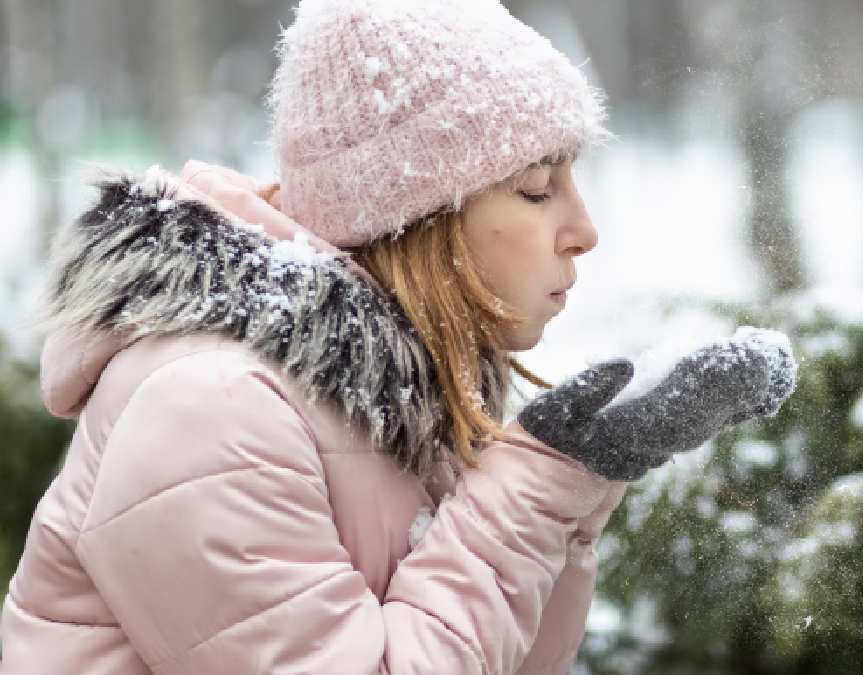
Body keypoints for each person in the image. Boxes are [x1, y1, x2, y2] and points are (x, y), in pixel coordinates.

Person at [0, 0, 796, 673]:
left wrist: (584, 475)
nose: (583, 229)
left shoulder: (398, 390)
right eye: (535, 189)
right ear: (412, 216)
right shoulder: (211, 409)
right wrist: (535, 490)